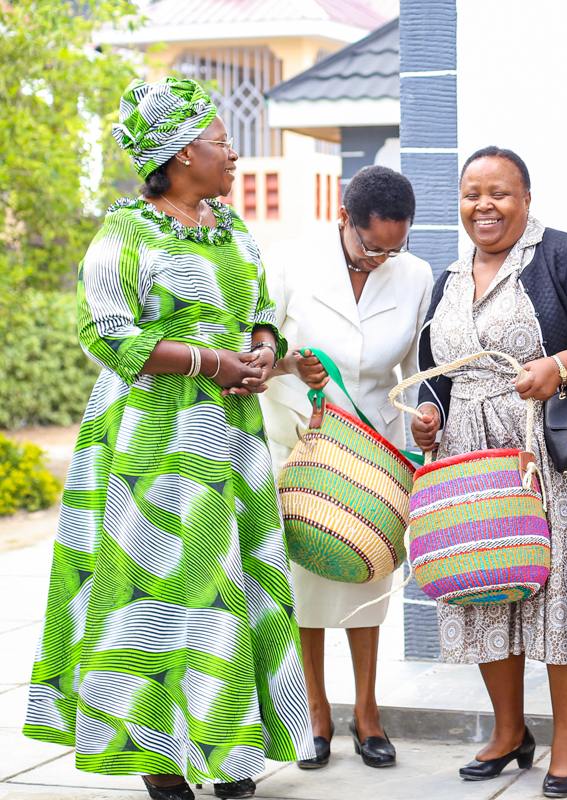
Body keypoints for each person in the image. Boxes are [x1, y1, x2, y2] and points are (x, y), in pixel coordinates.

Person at [22, 78, 313, 800]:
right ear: (183, 156)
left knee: (231, 586)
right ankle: (156, 757)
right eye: (220, 143)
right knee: (155, 588)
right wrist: (212, 362)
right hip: (152, 438)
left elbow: (262, 307)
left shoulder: (229, 227)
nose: (234, 155)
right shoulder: (126, 232)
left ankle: (230, 750)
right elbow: (105, 332)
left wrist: (261, 352)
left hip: (232, 437)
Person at [410, 146, 567, 799]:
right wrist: (429, 415)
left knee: (564, 594)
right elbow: (439, 367)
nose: (483, 206)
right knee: (489, 584)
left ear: (526, 198)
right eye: (472, 194)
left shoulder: (562, 255)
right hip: (473, 455)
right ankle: (508, 731)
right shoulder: (451, 277)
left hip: (553, 455)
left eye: (499, 193)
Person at [260, 165, 433, 768]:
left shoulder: (415, 275)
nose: (382, 258)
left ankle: (368, 713)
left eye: (395, 246)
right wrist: (289, 366)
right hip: (300, 447)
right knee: (305, 582)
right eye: (370, 246)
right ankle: (314, 713)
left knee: (368, 579)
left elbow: (416, 372)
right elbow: (256, 353)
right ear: (344, 220)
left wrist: (424, 418)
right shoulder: (289, 261)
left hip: (372, 453)